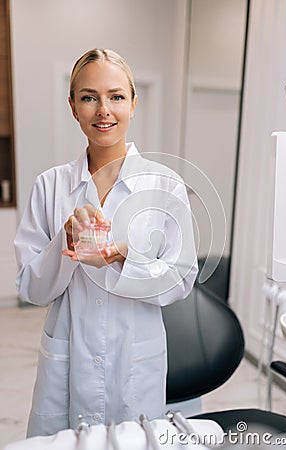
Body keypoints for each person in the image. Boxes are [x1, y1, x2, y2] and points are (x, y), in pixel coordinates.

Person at [14, 48, 198, 437]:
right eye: (88, 97)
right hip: (67, 357)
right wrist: (63, 245)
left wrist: (122, 258)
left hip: (136, 361)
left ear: (134, 102)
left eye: (116, 96)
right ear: (72, 106)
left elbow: (181, 279)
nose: (103, 110)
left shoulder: (164, 185)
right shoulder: (50, 186)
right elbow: (31, 288)